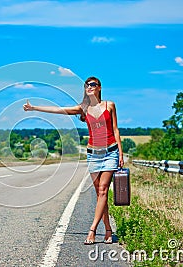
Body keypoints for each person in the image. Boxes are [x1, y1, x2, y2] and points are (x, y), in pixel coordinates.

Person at [23, 76, 124, 245]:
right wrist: (34, 108)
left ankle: (92, 230)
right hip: (93, 154)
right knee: (100, 194)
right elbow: (59, 110)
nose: (89, 87)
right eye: (87, 85)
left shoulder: (109, 105)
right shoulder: (83, 109)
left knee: (103, 191)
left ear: (99, 88)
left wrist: (120, 153)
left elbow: (115, 129)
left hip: (110, 152)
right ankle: (107, 229)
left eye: (93, 85)